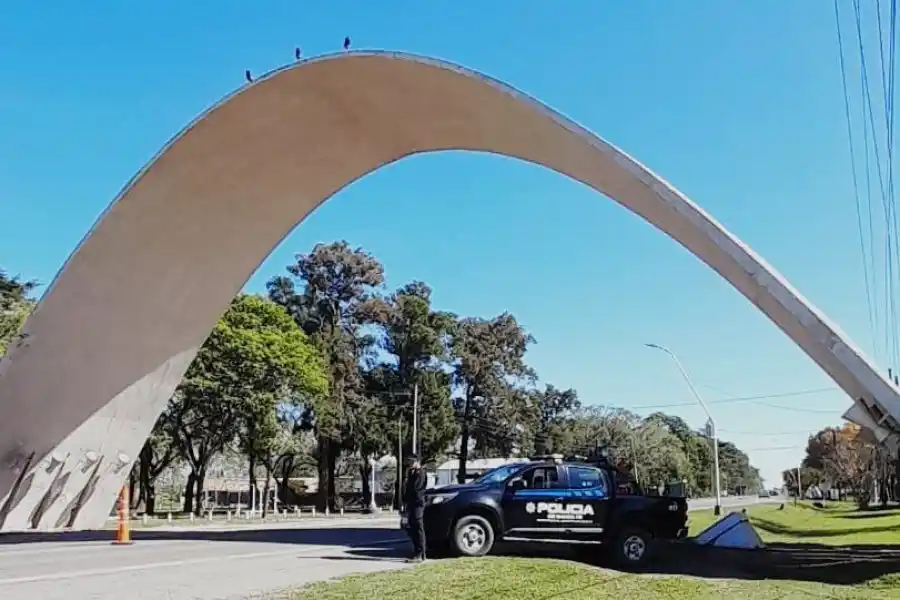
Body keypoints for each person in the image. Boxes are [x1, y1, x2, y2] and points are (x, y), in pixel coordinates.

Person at [403, 454, 427, 562]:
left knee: (418, 527)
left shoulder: (421, 472)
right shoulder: (410, 473)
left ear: (417, 462)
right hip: (411, 503)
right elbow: (407, 489)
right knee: (411, 528)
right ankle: (416, 550)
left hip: (418, 503)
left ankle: (421, 552)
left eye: (412, 461)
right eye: (409, 461)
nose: (410, 463)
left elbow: (417, 488)